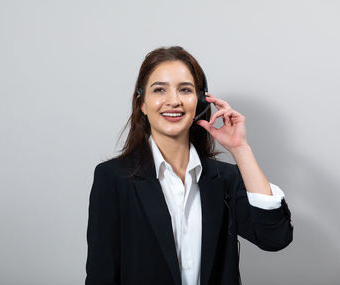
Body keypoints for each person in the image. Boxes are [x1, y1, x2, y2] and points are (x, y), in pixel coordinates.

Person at [85, 46, 293, 285]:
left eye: (185, 90)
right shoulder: (113, 178)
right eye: (159, 90)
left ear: (201, 102)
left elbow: (275, 237)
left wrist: (240, 149)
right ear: (142, 103)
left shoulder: (224, 179)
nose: (173, 101)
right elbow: (101, 275)